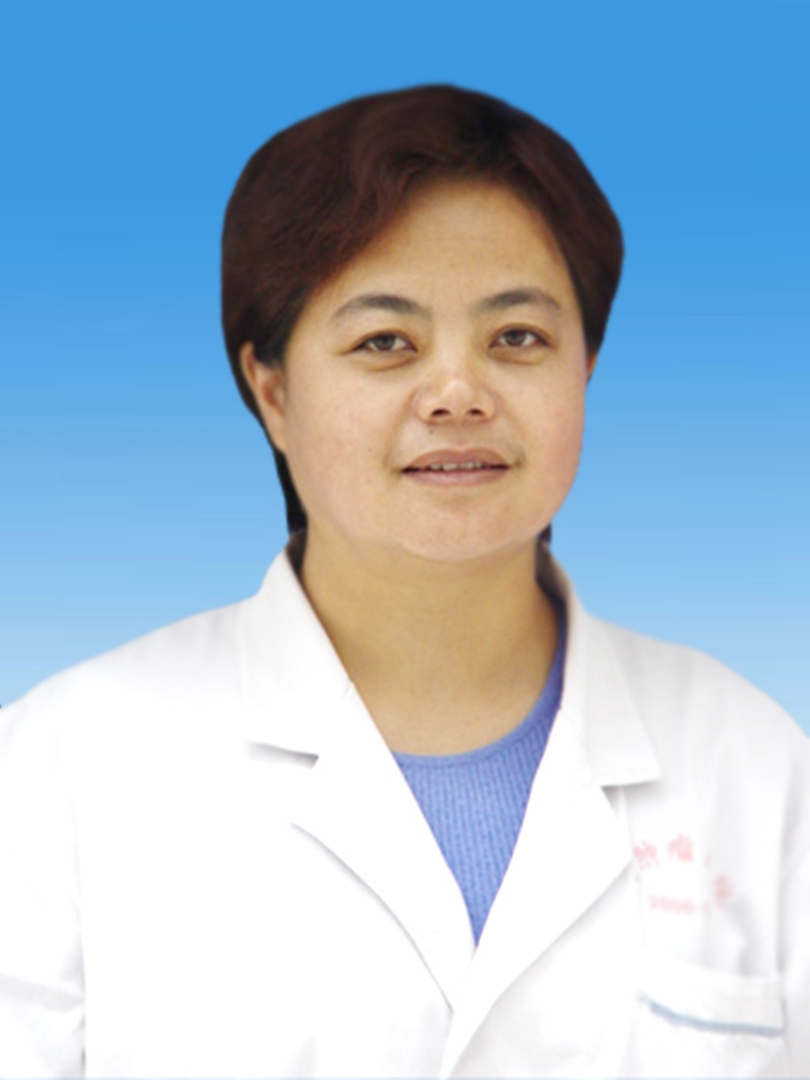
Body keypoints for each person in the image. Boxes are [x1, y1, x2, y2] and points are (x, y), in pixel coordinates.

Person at [0, 84, 808, 1079]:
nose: (458, 393)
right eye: (385, 342)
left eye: (518, 337)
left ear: (586, 368)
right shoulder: (56, 771)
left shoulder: (756, 769)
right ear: (273, 391)